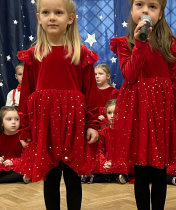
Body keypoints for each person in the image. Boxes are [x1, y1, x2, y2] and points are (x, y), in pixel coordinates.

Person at [14, 0, 100, 209]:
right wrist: (25, 129)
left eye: (58, 12)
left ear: (70, 18)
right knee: (50, 176)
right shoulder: (34, 55)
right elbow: (26, 94)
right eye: (46, 12)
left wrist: (92, 125)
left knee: (72, 177)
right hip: (45, 126)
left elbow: (91, 94)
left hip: (74, 125)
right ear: (39, 18)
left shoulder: (81, 54)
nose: (52, 17)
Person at [108, 0, 176, 209]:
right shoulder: (124, 42)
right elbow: (130, 74)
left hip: (161, 111)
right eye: (140, 5)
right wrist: (140, 43)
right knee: (141, 169)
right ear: (132, 10)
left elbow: (175, 81)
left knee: (159, 169)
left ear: (161, 14)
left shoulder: (168, 42)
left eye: (152, 6)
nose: (145, 10)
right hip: (137, 111)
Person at [83, 99, 127, 184]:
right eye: (109, 113)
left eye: (116, 112)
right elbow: (100, 150)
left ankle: (111, 176)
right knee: (97, 166)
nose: (112, 116)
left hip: (121, 162)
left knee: (125, 167)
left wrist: (115, 162)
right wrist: (104, 162)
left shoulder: (125, 132)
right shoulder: (103, 132)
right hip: (108, 162)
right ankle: (115, 176)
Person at [0, 106, 26, 183]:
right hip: (3, 165)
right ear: (1, 122)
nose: (14, 122)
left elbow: (27, 157)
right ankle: (22, 178)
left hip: (18, 165)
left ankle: (22, 176)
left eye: (17, 119)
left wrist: (13, 162)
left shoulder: (22, 137)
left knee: (26, 169)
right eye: (9, 119)